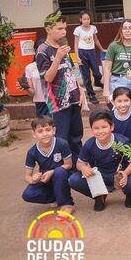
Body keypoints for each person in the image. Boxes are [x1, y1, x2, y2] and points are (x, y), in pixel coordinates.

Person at [68, 109, 131, 211]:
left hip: (119, 174)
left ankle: (130, 196)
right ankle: (99, 196)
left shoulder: (122, 142)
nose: (100, 131)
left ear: (112, 127)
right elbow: (79, 163)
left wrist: (125, 173)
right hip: (100, 176)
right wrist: (83, 168)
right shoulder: (89, 144)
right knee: (74, 180)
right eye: (96, 128)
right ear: (91, 130)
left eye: (104, 127)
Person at [36, 12, 83, 158]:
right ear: (48, 29)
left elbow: (73, 70)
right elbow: (48, 78)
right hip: (58, 103)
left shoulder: (64, 45)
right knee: (62, 138)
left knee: (76, 136)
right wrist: (57, 58)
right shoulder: (42, 51)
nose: (64, 32)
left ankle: (79, 166)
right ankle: (64, 168)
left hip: (74, 98)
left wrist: (81, 90)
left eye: (65, 29)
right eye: (59, 29)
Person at [22, 116, 74, 214]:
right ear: (34, 134)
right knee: (28, 194)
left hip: (61, 176)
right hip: (45, 178)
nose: (45, 134)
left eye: (48, 130)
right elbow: (27, 176)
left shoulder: (62, 144)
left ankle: (66, 204)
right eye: (40, 131)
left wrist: (52, 172)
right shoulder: (32, 152)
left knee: (59, 172)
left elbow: (69, 165)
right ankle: (55, 197)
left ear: (53, 130)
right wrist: (33, 179)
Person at [73, 10, 104, 104]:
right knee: (86, 76)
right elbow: (76, 44)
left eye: (88, 19)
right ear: (80, 20)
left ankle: (97, 81)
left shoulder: (93, 28)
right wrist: (77, 57)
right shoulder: (78, 29)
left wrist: (102, 49)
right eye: (84, 19)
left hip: (91, 52)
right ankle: (91, 95)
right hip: (82, 53)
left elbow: (96, 40)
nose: (86, 21)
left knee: (97, 72)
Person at [20, 39, 49, 117]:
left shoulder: (55, 63)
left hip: (56, 102)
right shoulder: (30, 68)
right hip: (41, 104)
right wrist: (26, 87)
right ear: (35, 50)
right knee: (44, 127)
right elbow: (32, 93)